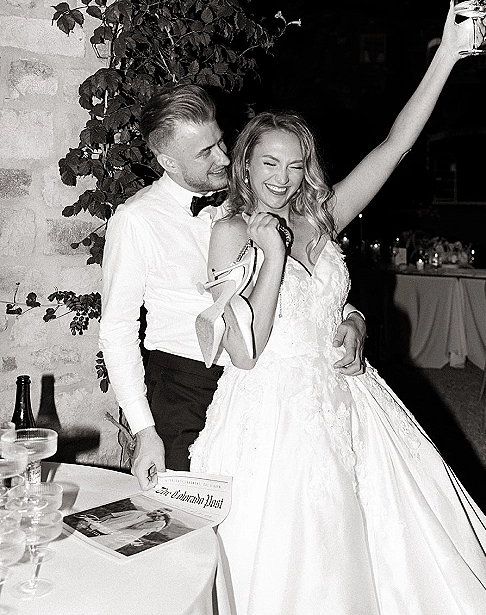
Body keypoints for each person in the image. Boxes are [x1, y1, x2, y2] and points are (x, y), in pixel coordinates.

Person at [188, 0, 486, 614]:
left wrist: (445, 56)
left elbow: (395, 143)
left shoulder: (321, 217)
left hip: (345, 395)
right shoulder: (230, 232)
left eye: (295, 165)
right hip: (274, 411)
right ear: (245, 164)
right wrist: (274, 258)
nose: (281, 177)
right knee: (297, 551)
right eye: (269, 163)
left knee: (396, 537)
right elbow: (246, 355)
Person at [99, 84, 366, 487]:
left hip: (258, 387)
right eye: (205, 153)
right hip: (185, 386)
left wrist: (352, 315)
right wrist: (144, 430)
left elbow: (299, 284)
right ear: (167, 161)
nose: (223, 157)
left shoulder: (247, 195)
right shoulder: (136, 221)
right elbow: (117, 332)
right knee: (186, 524)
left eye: (220, 143)